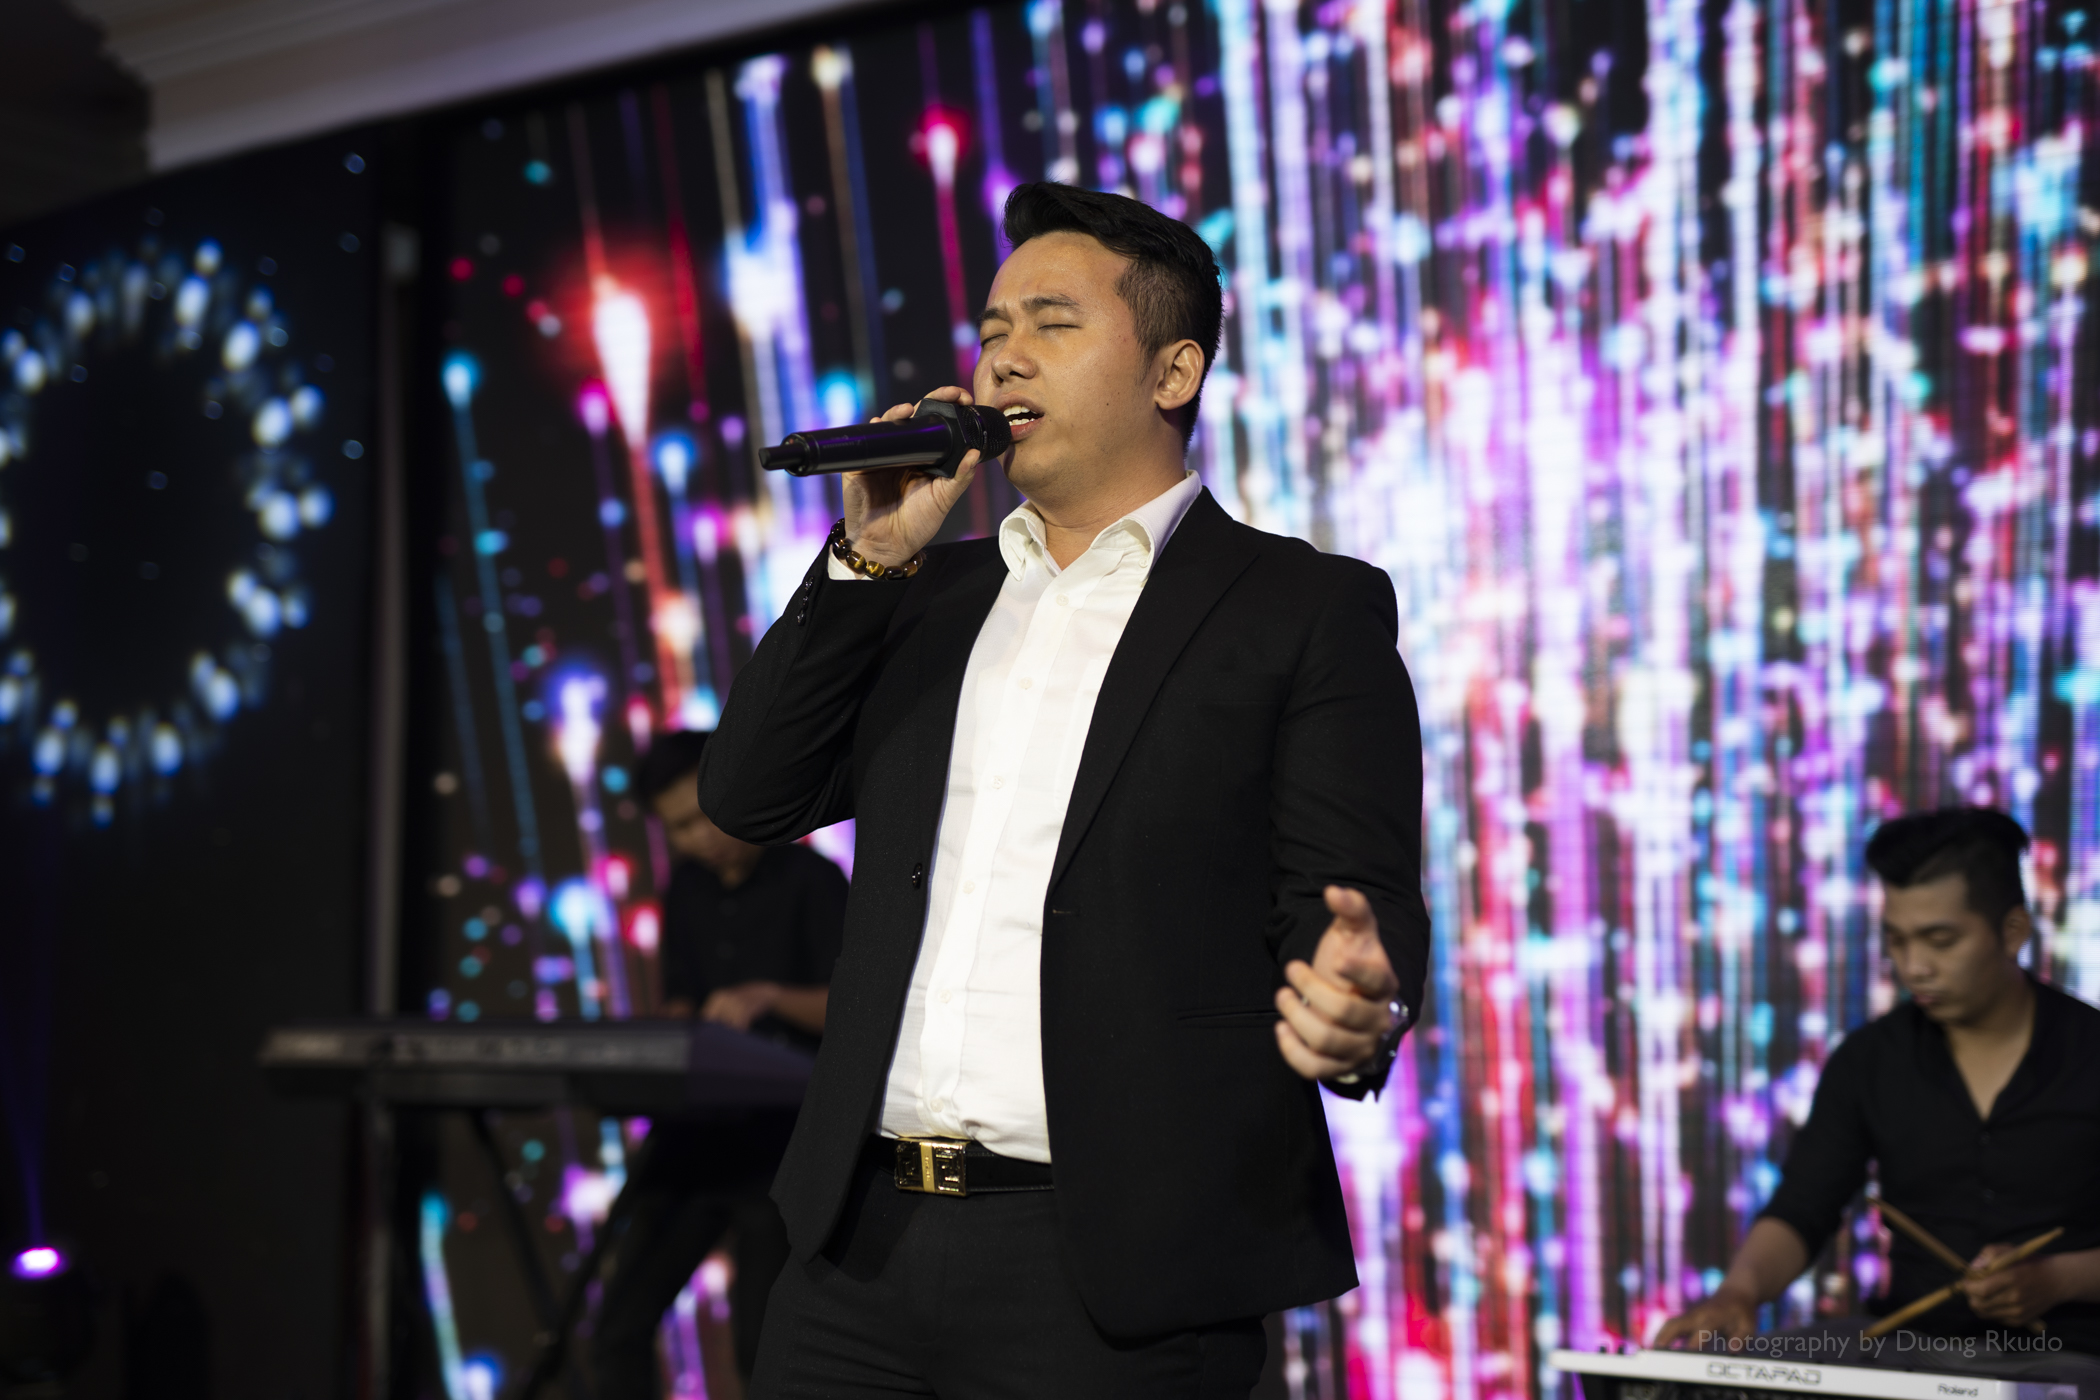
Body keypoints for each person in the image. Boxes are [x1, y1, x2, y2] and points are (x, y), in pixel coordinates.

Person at [698, 182, 1429, 1398]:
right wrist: (868, 558)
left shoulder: (1299, 607)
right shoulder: (929, 592)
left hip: (1111, 1274)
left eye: (1051, 323)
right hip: (853, 1252)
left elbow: (1351, 894)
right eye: (991, 330)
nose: (1002, 359)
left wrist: (1364, 1001)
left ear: (1174, 370)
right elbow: (749, 793)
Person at [1653, 807, 2100, 1356]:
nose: (1914, 968)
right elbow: (1802, 1207)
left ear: (2013, 932)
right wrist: (1738, 1292)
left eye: (1940, 941)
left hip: (2074, 1357)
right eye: (1897, 941)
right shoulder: (1869, 1060)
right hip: (1910, 1352)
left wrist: (2057, 1279)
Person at [590, 730, 847, 1398]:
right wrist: (668, 1027)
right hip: (698, 1138)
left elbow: (857, 1010)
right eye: (677, 828)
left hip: (784, 1147)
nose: (698, 839)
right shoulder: (686, 891)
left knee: (763, 1347)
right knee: (616, 1330)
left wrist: (769, 997)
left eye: (703, 818)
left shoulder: (812, 880)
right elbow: (682, 997)